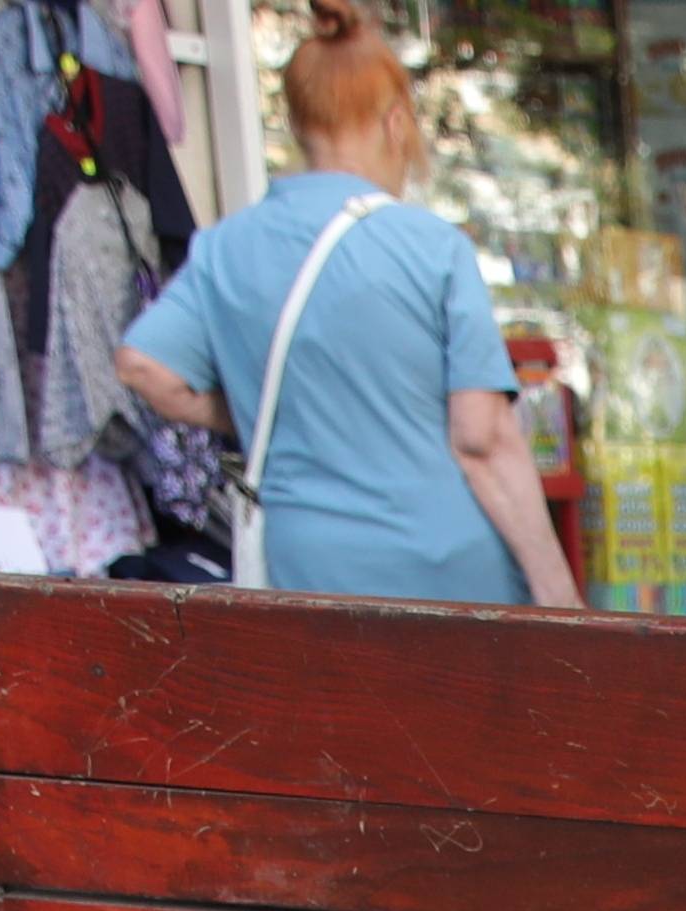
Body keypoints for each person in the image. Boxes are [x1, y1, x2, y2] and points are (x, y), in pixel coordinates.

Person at [111, 0, 574, 607]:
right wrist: (558, 592)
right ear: (394, 124)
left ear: (299, 125)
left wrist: (257, 410)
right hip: (449, 575)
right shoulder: (432, 248)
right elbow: (481, 440)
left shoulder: (225, 247)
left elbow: (143, 366)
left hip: (305, 574)